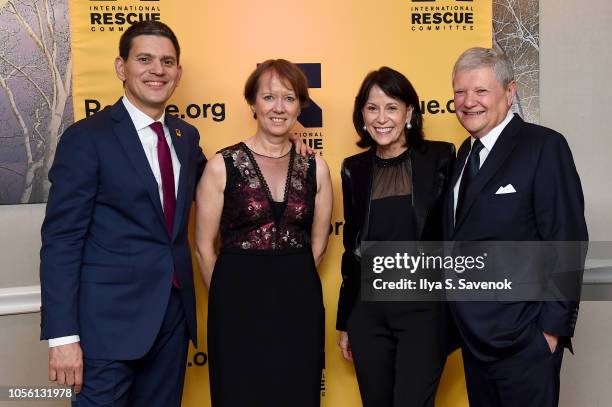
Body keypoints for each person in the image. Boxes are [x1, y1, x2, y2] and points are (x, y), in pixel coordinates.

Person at [39, 21, 206, 406]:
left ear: (178, 73)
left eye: (167, 61)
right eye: (144, 59)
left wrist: (280, 144)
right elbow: (62, 241)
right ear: (121, 67)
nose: (157, 70)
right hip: (105, 330)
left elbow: (224, 184)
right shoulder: (87, 138)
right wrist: (64, 338)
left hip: (171, 323)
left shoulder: (186, 137)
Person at [445, 47, 588, 407]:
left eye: (480, 91)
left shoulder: (544, 146)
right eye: (460, 92)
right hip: (474, 340)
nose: (468, 102)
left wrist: (550, 333)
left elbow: (567, 240)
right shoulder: (465, 153)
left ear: (509, 92)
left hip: (525, 341)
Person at [195, 59, 333, 406]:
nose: (279, 108)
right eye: (268, 97)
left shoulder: (316, 167)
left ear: (300, 105)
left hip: (298, 306)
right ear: (252, 104)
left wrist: (286, 284)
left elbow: (318, 246)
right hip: (236, 307)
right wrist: (230, 296)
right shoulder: (221, 165)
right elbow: (203, 248)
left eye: (289, 98)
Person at [336, 67, 456, 407]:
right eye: (372, 108)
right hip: (368, 314)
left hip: (424, 311)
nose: (381, 118)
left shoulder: (441, 157)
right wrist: (346, 320)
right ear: (362, 115)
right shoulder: (353, 168)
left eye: (391, 107)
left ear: (409, 112)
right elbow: (352, 248)